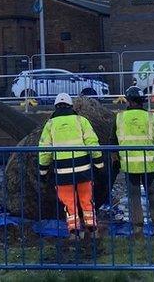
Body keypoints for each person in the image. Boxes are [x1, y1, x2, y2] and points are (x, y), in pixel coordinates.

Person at [38, 92, 104, 239]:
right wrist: (99, 165)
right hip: (83, 170)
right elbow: (92, 143)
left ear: (56, 107)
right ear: (71, 106)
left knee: (69, 203)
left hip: (62, 172)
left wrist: (42, 172)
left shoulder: (50, 125)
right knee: (87, 200)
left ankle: (74, 232)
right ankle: (92, 230)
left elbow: (44, 151)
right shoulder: (81, 121)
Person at [116, 95, 154, 234]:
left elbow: (112, 139)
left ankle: (137, 229)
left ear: (129, 101)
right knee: (153, 195)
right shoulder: (150, 117)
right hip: (149, 165)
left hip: (130, 166)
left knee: (134, 196)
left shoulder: (119, 118)